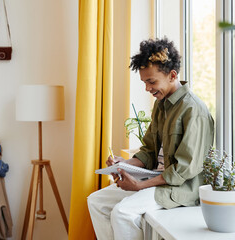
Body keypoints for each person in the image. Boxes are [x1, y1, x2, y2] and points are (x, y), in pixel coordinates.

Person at [87, 38, 214, 240]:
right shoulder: (161, 106)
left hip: (179, 189)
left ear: (172, 75)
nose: (147, 88)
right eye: (145, 82)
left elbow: (184, 169)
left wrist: (140, 186)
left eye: (151, 81)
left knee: (122, 213)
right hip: (156, 180)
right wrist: (124, 165)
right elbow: (149, 151)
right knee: (96, 201)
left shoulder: (193, 110)